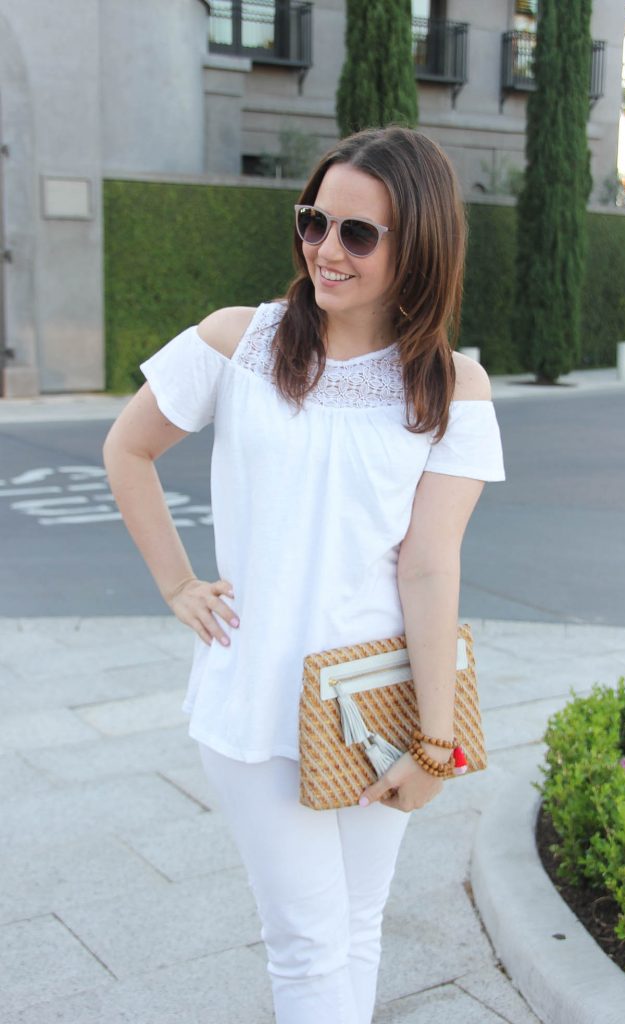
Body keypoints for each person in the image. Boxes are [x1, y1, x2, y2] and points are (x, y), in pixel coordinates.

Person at [102, 124, 505, 1024]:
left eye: (357, 234)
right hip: (257, 699)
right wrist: (177, 585)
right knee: (311, 942)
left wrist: (436, 744)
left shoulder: (451, 386)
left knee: (359, 924)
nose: (325, 249)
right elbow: (128, 449)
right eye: (313, 221)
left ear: (420, 246)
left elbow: (430, 568)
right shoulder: (238, 343)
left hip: (379, 702)